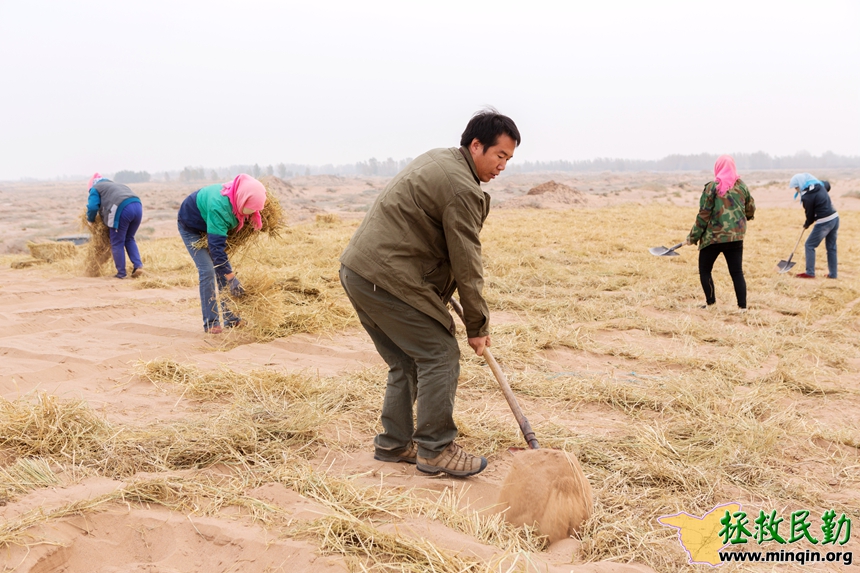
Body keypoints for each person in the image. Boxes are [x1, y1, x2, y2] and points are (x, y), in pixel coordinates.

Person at [339, 109, 520, 477]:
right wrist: (477, 324)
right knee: (439, 352)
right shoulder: (462, 189)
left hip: (359, 270)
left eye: (509, 159)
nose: (503, 166)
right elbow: (467, 261)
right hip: (386, 276)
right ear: (476, 145)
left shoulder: (441, 159)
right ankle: (435, 449)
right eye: (500, 155)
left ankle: (393, 444)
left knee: (406, 360)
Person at [177, 173, 266, 333]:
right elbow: (217, 249)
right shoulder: (220, 207)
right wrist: (232, 278)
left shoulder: (239, 197)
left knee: (223, 270)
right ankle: (211, 322)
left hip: (208, 223)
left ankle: (231, 319)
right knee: (208, 270)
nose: (251, 213)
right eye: (250, 208)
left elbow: (220, 251)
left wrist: (229, 275)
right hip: (191, 227)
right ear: (243, 199)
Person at [686, 155, 756, 310]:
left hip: (713, 238)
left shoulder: (712, 187)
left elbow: (704, 214)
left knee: (705, 270)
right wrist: (746, 218)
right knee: (737, 272)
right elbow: (750, 208)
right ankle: (742, 308)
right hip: (736, 237)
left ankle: (711, 304)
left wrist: (692, 237)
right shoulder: (742, 186)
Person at [86, 173, 144, 279]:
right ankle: (138, 266)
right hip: (138, 206)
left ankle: (121, 273)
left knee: (117, 242)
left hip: (122, 209)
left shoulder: (96, 188)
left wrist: (90, 220)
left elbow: (93, 207)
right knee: (129, 238)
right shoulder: (116, 185)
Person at [790, 173, 838, 279]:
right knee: (831, 248)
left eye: (796, 187)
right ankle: (833, 274)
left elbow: (810, 215)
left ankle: (810, 272)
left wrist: (807, 224)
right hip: (834, 217)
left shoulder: (807, 196)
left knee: (809, 245)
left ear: (801, 184)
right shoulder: (818, 185)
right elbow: (827, 185)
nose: (796, 189)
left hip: (824, 221)